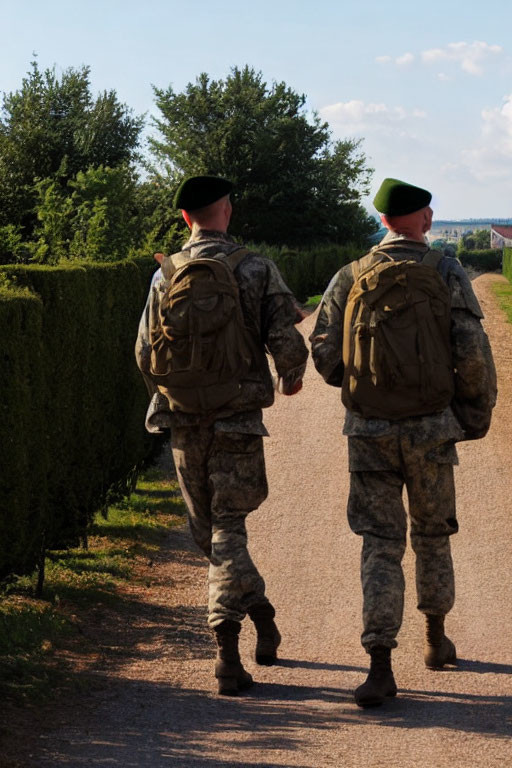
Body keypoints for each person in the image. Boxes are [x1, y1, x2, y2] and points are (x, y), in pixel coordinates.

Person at [311, 177, 497, 708]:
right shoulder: (445, 270)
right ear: (425, 219)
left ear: (384, 221)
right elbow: (472, 351)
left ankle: (379, 663)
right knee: (432, 536)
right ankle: (436, 640)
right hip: (431, 430)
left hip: (368, 433)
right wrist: (472, 415)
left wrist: (361, 387)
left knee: (380, 544)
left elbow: (323, 350)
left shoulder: (351, 275)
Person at [135, 175, 308, 696]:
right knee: (227, 530)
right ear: (226, 211)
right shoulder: (255, 267)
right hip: (237, 417)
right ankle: (231, 641)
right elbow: (286, 338)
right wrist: (290, 374)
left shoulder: (166, 275)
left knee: (211, 531)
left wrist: (170, 394)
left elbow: (144, 352)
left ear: (186, 218)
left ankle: (248, 630)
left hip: (184, 421)